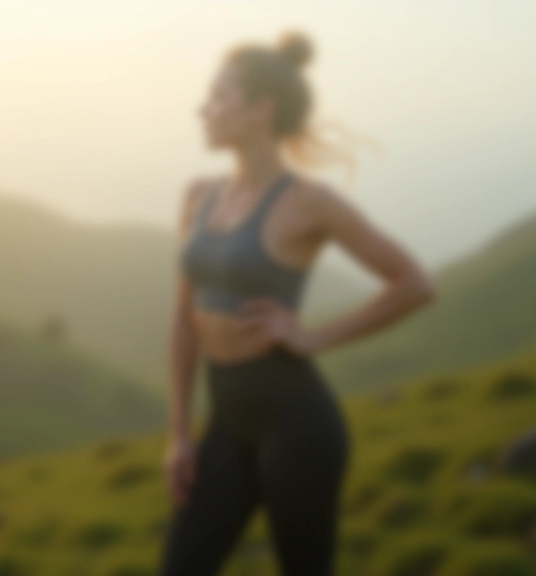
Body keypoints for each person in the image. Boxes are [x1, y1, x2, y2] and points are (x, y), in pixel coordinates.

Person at [157, 29, 437, 576]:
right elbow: (184, 321)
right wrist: (179, 434)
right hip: (225, 423)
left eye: (218, 97)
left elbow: (414, 284)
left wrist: (314, 336)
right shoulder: (197, 196)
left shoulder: (310, 204)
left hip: (297, 426)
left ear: (261, 110)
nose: (203, 108)